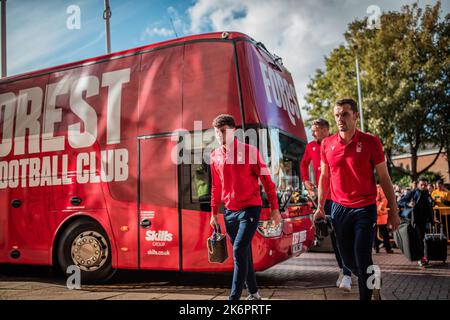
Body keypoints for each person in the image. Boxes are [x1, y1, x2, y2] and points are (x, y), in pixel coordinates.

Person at [314, 98, 400, 300]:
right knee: (348, 261)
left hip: (365, 208)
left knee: (362, 257)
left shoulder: (371, 142)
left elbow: (384, 178)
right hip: (338, 209)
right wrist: (320, 206)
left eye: (344, 114)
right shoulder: (326, 144)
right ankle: (373, 279)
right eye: (337, 115)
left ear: (355, 116)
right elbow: (324, 177)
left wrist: (394, 211)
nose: (340, 119)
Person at [209, 114, 282, 301]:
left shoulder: (250, 151)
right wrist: (214, 213)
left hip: (250, 208)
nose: (220, 135)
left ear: (234, 131)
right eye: (217, 132)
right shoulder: (214, 155)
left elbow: (267, 181)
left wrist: (275, 209)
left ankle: (233, 298)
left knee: (238, 250)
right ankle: (254, 292)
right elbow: (216, 187)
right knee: (244, 252)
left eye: (223, 131)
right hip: (229, 212)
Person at [300, 118, 352, 291]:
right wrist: (306, 181)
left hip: (339, 197)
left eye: (315, 130)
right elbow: (303, 164)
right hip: (323, 198)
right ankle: (343, 270)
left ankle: (347, 272)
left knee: (341, 235)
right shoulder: (311, 146)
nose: (313, 134)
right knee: (334, 236)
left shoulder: (337, 142)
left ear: (324, 130)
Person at [398, 177, 435, 267]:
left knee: (421, 239)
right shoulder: (413, 192)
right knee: (418, 240)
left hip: (424, 221)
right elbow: (400, 201)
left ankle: (421, 257)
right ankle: (421, 258)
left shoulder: (427, 193)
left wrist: (433, 219)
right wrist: (408, 204)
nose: (423, 186)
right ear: (418, 184)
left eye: (425, 185)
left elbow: (429, 207)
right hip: (414, 221)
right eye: (421, 184)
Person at [374, 184, 394, 254]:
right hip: (378, 213)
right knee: (382, 232)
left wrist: (378, 209)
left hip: (378, 213)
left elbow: (384, 200)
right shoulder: (379, 188)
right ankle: (385, 248)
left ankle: (378, 248)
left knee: (378, 232)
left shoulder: (377, 188)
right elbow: (384, 200)